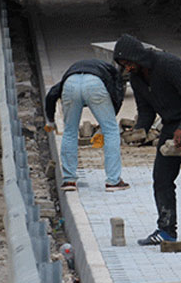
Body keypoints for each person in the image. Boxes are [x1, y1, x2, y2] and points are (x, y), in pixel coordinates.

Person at [112, 34, 181, 247]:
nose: (127, 68)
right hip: (170, 125)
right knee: (162, 178)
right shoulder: (137, 79)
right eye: (123, 65)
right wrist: (140, 130)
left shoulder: (169, 65)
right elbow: (146, 109)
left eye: (129, 63)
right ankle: (166, 230)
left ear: (138, 58)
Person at [44, 59, 129, 192]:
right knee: (111, 131)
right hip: (95, 84)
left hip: (70, 84)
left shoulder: (71, 75)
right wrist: (106, 124)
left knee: (70, 132)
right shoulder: (113, 76)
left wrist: (50, 121)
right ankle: (113, 181)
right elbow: (117, 97)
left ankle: (69, 181)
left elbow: (51, 95)